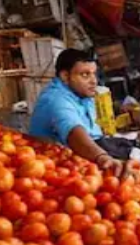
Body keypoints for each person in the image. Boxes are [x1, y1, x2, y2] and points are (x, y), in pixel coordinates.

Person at [28, 49, 131, 178]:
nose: (94, 81)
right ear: (65, 76)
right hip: (53, 168)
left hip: (80, 158)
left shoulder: (81, 93)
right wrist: (102, 157)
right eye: (85, 75)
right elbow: (73, 131)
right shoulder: (56, 99)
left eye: (94, 74)